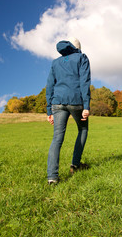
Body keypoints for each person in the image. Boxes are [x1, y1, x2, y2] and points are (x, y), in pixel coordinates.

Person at [46, 37, 91, 185]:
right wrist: (86, 106)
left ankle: (52, 177)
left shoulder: (55, 63)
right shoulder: (81, 57)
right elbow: (84, 82)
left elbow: (49, 86)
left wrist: (49, 111)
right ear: (78, 48)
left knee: (57, 138)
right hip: (76, 101)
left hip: (57, 103)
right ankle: (75, 165)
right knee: (83, 129)